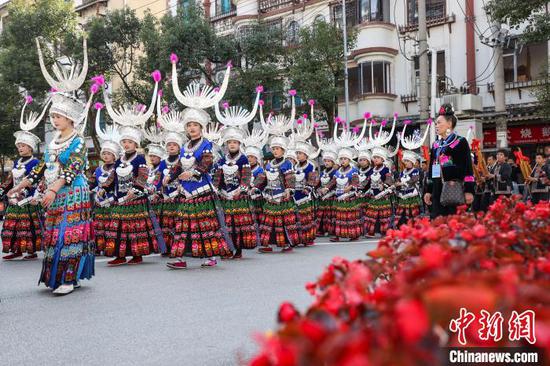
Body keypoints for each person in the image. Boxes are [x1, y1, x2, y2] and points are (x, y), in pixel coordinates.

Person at [9, 93, 95, 295]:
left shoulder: (79, 141)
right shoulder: (53, 141)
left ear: (69, 119)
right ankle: (64, 277)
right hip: (53, 193)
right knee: (54, 235)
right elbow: (42, 167)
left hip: (73, 192)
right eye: (52, 116)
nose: (54, 120)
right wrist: (20, 186)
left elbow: (72, 168)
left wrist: (54, 189)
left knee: (69, 234)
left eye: (58, 116)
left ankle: (69, 277)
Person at [212, 126, 257, 258]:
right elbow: (217, 177)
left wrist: (241, 189)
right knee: (225, 224)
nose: (232, 144)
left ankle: (238, 250)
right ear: (226, 144)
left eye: (235, 142)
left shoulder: (243, 159)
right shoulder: (221, 160)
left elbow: (246, 176)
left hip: (238, 197)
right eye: (230, 142)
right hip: (224, 196)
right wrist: (215, 189)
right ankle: (227, 249)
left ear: (239, 144)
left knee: (237, 225)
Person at [424, 104, 475, 218]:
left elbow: (468, 168)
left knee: (453, 221)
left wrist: (469, 190)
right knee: (436, 222)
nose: (436, 126)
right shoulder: (436, 145)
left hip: (454, 188)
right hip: (437, 190)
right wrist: (428, 190)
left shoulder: (460, 142)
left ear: (449, 124)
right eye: (436, 123)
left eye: (439, 123)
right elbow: (432, 170)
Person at [1, 128, 42, 260]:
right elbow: (10, 180)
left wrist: (31, 195)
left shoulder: (35, 162)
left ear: (30, 148)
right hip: (14, 199)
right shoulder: (16, 162)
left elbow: (37, 181)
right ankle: (16, 249)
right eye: (18, 146)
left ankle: (31, 251)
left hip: (28, 199)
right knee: (11, 225)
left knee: (27, 226)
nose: (20, 148)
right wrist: (2, 190)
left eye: (23, 146)